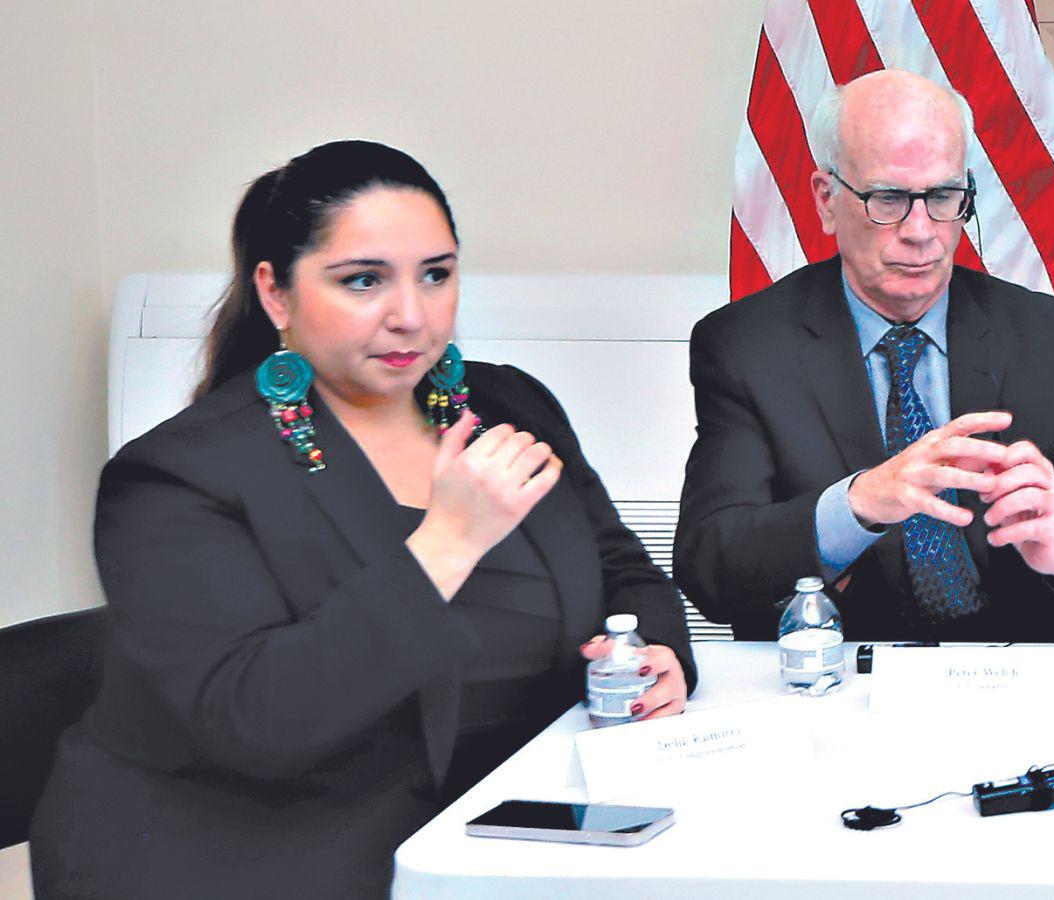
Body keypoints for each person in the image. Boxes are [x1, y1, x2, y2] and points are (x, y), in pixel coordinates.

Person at [31, 140, 696, 899]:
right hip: (261, 860)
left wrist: (655, 657)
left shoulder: (508, 404)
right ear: (277, 294)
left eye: (436, 275)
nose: (411, 316)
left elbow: (627, 574)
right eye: (363, 281)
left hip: (506, 830)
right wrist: (448, 541)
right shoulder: (174, 478)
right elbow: (259, 724)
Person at [674, 70, 1054, 643]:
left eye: (942, 197)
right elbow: (709, 562)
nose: (921, 231)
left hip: (1015, 672)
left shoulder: (1050, 335)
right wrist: (856, 504)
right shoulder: (746, 345)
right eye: (887, 199)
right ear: (827, 200)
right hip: (837, 674)